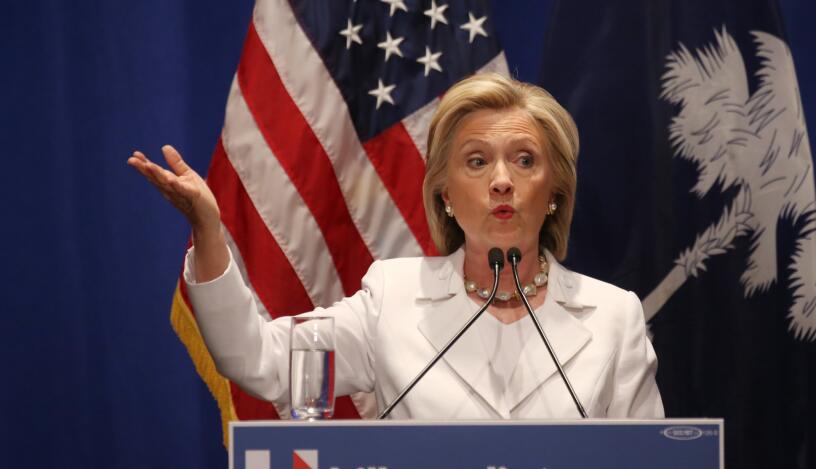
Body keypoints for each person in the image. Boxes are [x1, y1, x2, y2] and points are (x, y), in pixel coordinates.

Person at [128, 73, 664, 420]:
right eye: (477, 161)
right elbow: (257, 360)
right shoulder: (393, 299)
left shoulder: (615, 317)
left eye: (525, 160)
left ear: (555, 191)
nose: (502, 180)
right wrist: (209, 229)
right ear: (446, 194)